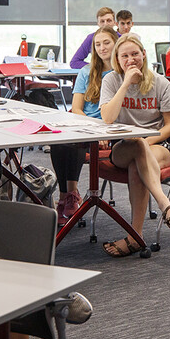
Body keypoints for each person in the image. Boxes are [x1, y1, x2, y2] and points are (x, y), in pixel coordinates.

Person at [98, 34, 170, 257]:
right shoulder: (111, 80)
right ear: (117, 59)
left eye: (135, 54)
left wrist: (146, 142)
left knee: (139, 162)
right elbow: (107, 118)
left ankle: (135, 236)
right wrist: (125, 83)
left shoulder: (160, 82)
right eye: (124, 56)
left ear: (144, 55)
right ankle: (166, 205)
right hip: (123, 147)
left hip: (157, 144)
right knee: (135, 145)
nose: (130, 60)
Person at [52, 27, 118, 221]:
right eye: (97, 44)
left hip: (110, 129)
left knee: (75, 142)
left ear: (116, 43)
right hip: (85, 124)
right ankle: (66, 196)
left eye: (106, 43)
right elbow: (77, 108)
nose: (102, 48)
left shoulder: (121, 73)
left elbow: (123, 112)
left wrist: (102, 133)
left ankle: (69, 195)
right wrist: (90, 128)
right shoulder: (86, 71)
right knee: (57, 141)